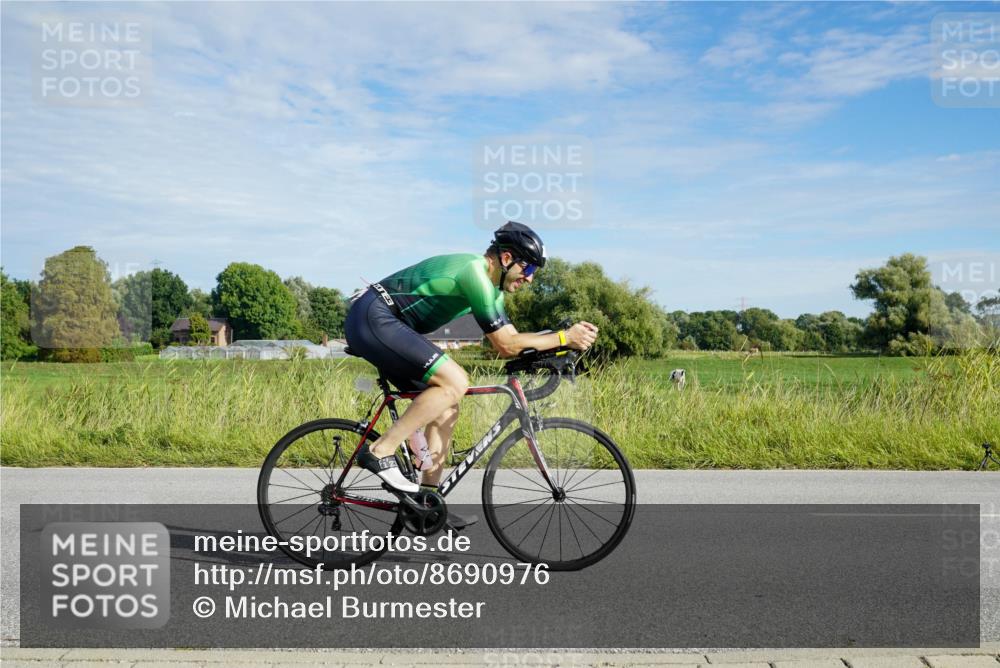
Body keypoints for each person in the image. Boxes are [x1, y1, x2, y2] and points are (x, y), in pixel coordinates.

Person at [344, 222, 599, 509]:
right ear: (506, 259)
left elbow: (512, 342)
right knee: (456, 381)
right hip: (373, 317)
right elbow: (506, 345)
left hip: (389, 325)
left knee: (447, 405)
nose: (529, 279)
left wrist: (558, 346)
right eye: (528, 270)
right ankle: (380, 451)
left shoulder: (493, 292)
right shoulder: (474, 272)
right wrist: (565, 336)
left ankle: (426, 501)